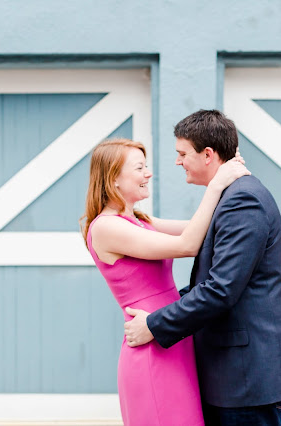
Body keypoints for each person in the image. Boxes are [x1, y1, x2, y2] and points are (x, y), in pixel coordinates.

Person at [124, 110, 281, 426]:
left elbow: (220, 290)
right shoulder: (230, 197)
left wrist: (154, 324)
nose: (178, 162)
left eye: (182, 154)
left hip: (245, 377)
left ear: (208, 155)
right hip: (234, 373)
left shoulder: (242, 201)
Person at [81, 137, 249, 426]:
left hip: (170, 337)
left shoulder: (141, 220)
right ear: (114, 178)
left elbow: (206, 229)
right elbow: (188, 244)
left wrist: (228, 177)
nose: (148, 174)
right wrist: (217, 184)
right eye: (139, 168)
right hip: (151, 349)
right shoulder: (107, 228)